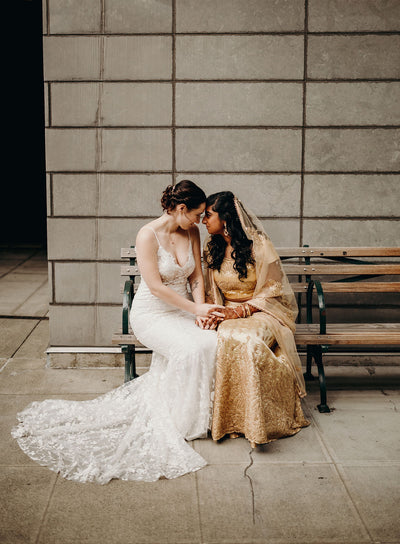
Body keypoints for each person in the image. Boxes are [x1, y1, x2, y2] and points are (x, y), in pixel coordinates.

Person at [12, 180, 219, 483]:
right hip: (152, 314)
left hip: (184, 309)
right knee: (188, 349)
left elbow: (197, 278)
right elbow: (158, 288)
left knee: (211, 341)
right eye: (197, 214)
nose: (201, 221)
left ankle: (202, 415)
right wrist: (195, 310)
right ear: (181, 208)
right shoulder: (147, 235)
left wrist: (200, 311)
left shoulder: (192, 231)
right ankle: (180, 419)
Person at [202, 191, 309, 447]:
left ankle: (258, 421)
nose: (203, 221)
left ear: (226, 217)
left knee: (248, 341)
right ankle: (226, 419)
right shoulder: (212, 246)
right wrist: (213, 312)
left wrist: (241, 311)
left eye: (208, 215)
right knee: (222, 337)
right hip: (224, 310)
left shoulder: (259, 245)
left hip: (262, 312)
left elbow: (273, 289)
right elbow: (209, 290)